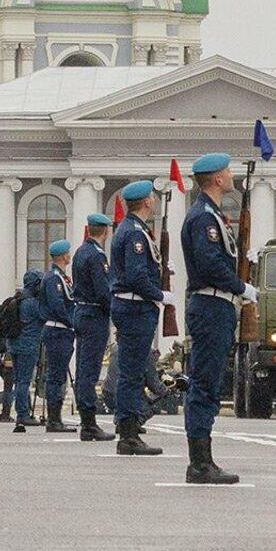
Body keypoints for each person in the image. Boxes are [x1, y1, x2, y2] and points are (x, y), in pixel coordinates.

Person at [181, 153, 257, 485]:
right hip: (211, 305)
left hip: (217, 306)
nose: (231, 175)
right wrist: (242, 286)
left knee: (209, 384)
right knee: (204, 384)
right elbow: (210, 264)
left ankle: (203, 459)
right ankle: (199, 463)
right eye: (227, 171)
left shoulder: (210, 215)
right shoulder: (203, 218)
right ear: (216, 178)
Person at [110, 180, 172, 456]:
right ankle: (128, 435)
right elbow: (135, 276)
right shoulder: (134, 232)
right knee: (132, 374)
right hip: (135, 308)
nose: (155, 200)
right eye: (152, 197)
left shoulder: (134, 230)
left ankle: (129, 430)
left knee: (131, 372)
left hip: (133, 307)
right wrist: (159, 294)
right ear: (146, 201)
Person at [73, 213, 115, 442]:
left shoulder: (80, 252)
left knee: (83, 369)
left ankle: (86, 419)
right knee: (89, 370)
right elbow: (103, 291)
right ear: (106, 231)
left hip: (81, 312)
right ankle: (89, 424)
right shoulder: (97, 256)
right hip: (94, 315)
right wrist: (115, 311)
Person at [41, 240, 78, 434]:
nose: (70, 255)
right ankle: (54, 420)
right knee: (56, 376)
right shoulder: (54, 278)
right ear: (64, 256)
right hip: (58, 331)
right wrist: (73, 322)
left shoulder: (61, 277)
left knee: (59, 374)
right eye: (68, 253)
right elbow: (58, 306)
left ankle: (56, 418)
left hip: (61, 331)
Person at [10, 270, 48, 432]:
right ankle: (23, 414)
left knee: (19, 380)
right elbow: (45, 316)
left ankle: (24, 412)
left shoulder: (18, 299)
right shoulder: (32, 303)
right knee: (24, 381)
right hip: (28, 345)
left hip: (15, 344)